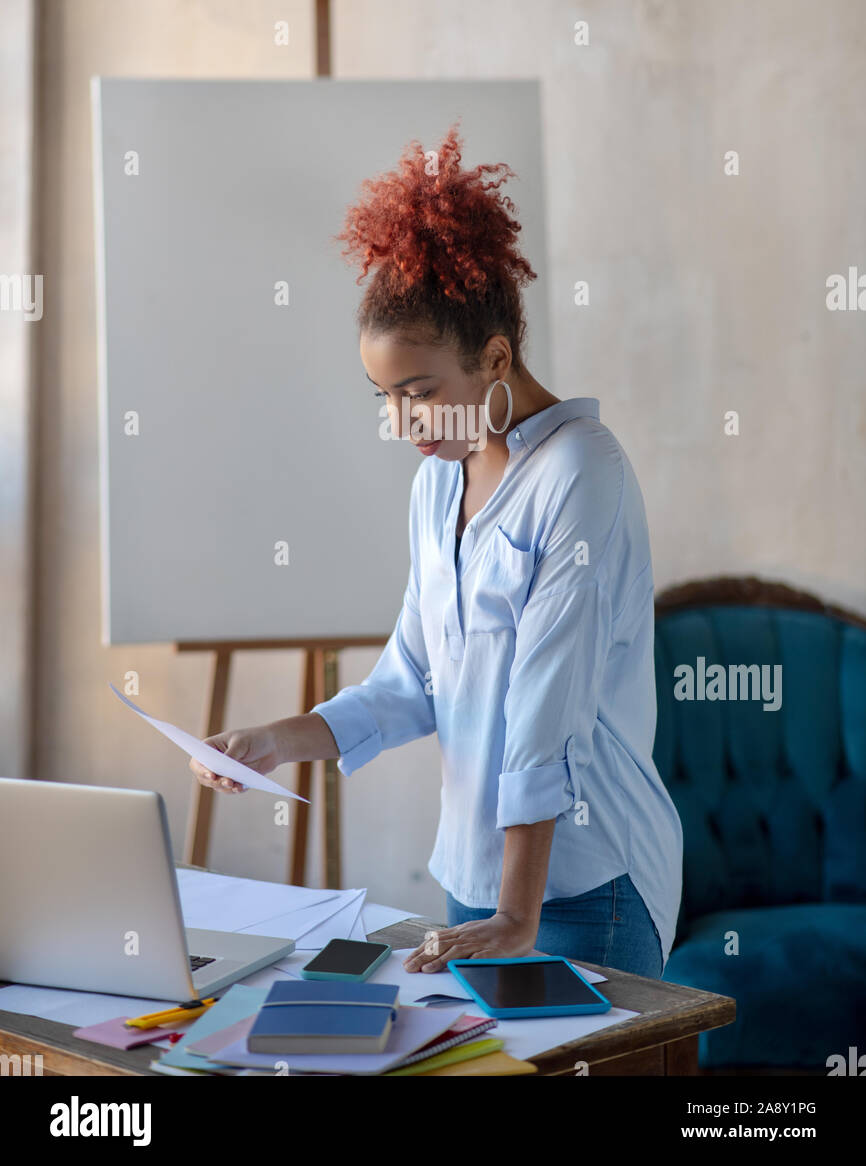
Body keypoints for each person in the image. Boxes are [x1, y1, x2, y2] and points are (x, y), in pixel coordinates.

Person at [190, 124, 683, 978]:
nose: (399, 423)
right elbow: (409, 682)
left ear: (494, 358)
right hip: (473, 881)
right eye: (383, 397)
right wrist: (275, 740)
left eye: (418, 394)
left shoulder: (580, 473)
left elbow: (548, 712)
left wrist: (516, 916)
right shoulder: (438, 483)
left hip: (578, 887)